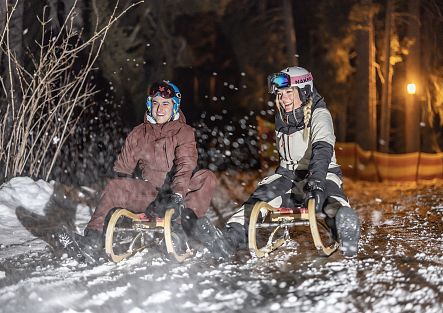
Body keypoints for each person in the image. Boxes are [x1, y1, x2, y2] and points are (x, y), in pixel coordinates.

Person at [57, 81, 230, 261]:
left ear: (175, 107)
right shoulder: (139, 133)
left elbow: (185, 165)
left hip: (179, 196)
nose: (159, 108)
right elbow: (122, 171)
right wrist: (122, 199)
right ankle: (92, 242)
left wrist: (177, 195)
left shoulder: (184, 132)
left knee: (206, 177)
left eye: (165, 103)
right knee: (115, 186)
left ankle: (183, 228)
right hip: (152, 196)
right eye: (155, 103)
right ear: (149, 105)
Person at [223, 66, 361, 257]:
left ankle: (345, 227)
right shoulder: (283, 116)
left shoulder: (319, 114)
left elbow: (322, 150)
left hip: (321, 172)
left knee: (330, 199)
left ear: (304, 91)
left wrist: (316, 183)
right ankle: (231, 236)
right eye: (280, 94)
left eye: (289, 92)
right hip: (289, 176)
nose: (283, 99)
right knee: (259, 200)